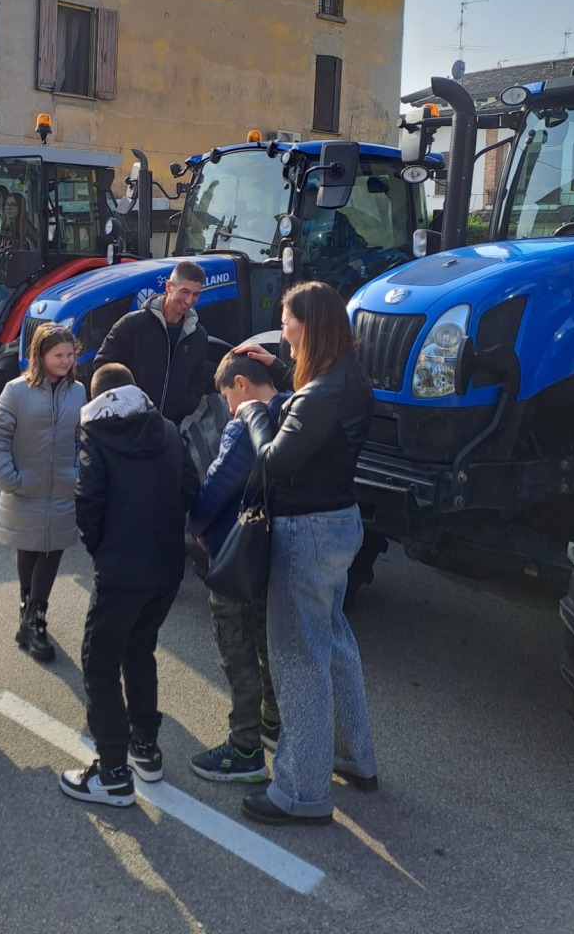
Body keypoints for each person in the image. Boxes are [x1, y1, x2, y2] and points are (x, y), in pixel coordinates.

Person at [235, 281, 377, 827]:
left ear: (310, 325)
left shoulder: (320, 394)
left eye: (287, 320)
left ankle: (302, 789)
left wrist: (253, 408)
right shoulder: (346, 376)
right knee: (334, 643)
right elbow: (314, 416)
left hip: (308, 532)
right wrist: (276, 367)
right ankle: (351, 755)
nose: (283, 328)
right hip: (340, 524)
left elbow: (273, 459)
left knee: (299, 661)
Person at [59, 363, 200, 807]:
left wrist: (102, 549)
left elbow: (88, 499)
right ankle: (145, 749)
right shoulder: (166, 428)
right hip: (166, 565)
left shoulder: (94, 435)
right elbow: (190, 489)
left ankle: (113, 772)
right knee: (140, 650)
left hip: (121, 569)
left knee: (99, 663)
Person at [187, 351, 284, 784]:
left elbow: (219, 482)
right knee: (268, 641)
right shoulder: (293, 409)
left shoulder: (245, 424)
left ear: (241, 384)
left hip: (234, 551)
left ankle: (243, 749)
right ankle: (272, 724)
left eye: (227, 395)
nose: (227, 406)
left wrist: (196, 526)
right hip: (273, 551)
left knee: (237, 647)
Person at [0, 322, 85, 662]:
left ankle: (34, 619)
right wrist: (8, 479)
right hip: (24, 487)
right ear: (39, 356)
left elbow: (81, 438)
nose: (66, 361)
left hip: (62, 489)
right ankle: (28, 616)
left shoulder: (78, 392)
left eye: (70, 355)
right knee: (29, 550)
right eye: (58, 355)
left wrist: (76, 473)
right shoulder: (16, 391)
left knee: (52, 551)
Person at [92, 259, 208, 424]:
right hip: (130, 427)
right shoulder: (133, 324)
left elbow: (199, 378)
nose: (189, 301)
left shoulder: (198, 336)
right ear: (169, 287)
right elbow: (103, 366)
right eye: (185, 291)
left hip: (169, 429)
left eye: (196, 294)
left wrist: (186, 403)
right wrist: (125, 407)